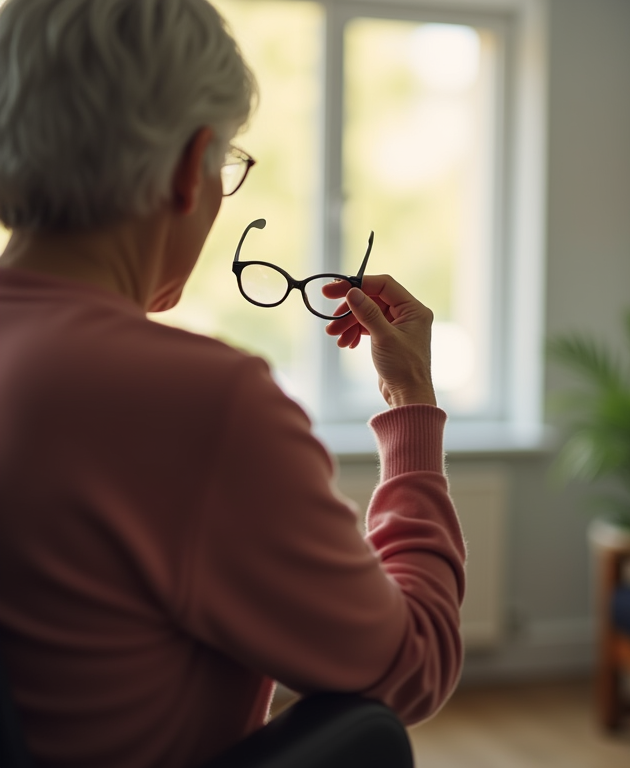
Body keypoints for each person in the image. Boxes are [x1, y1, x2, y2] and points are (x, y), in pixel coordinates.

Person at [0, 1, 466, 767]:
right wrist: (413, 405)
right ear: (192, 166)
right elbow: (414, 664)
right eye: (229, 167)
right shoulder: (204, 406)